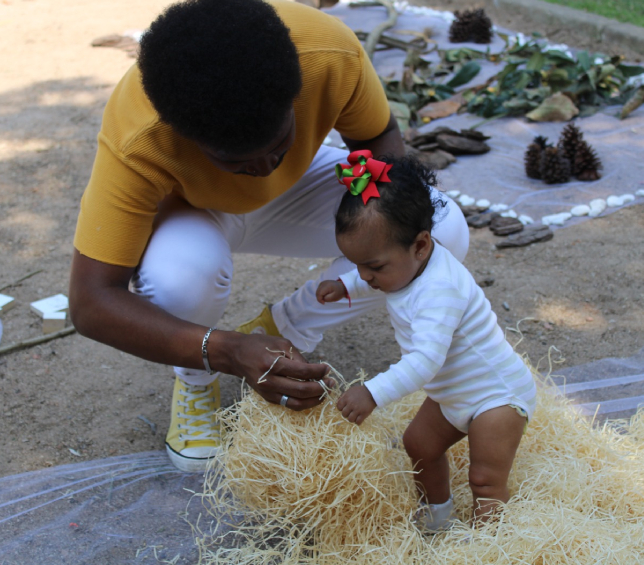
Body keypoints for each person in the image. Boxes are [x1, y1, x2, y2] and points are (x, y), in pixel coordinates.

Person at [68, 0, 470, 472]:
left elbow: (377, 142)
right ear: (183, 134)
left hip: (303, 187)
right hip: (192, 210)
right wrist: (225, 351)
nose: (260, 171)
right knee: (181, 276)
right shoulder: (140, 136)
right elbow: (91, 301)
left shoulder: (329, 53)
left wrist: (370, 219)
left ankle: (279, 330)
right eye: (236, 161)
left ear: (294, 93)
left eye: (278, 145)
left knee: (437, 227)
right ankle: (198, 378)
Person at [316, 152, 537, 531]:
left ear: (420, 245)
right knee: (419, 445)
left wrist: (372, 392)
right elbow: (377, 275)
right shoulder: (405, 266)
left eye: (374, 267)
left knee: (484, 480)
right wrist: (345, 285)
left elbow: (425, 361)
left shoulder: (441, 289)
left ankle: (493, 542)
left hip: (495, 396)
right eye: (357, 266)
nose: (365, 276)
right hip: (452, 393)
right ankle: (438, 517)